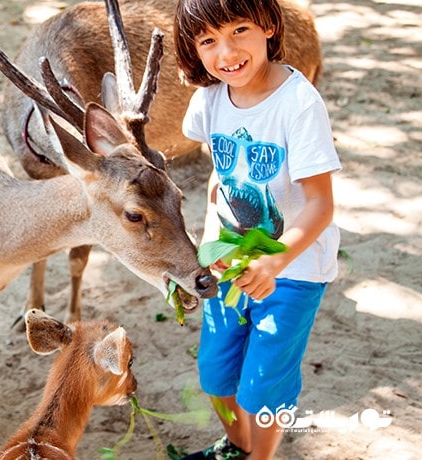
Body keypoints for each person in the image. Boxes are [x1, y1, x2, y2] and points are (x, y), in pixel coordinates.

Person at [172, 0, 341, 459]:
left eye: (239, 30)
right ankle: (237, 446)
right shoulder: (209, 100)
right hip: (233, 262)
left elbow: (320, 205)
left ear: (267, 26)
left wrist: (275, 260)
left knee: (263, 385)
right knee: (215, 374)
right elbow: (219, 179)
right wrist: (211, 239)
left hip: (294, 268)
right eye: (208, 41)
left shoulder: (299, 104)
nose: (226, 52)